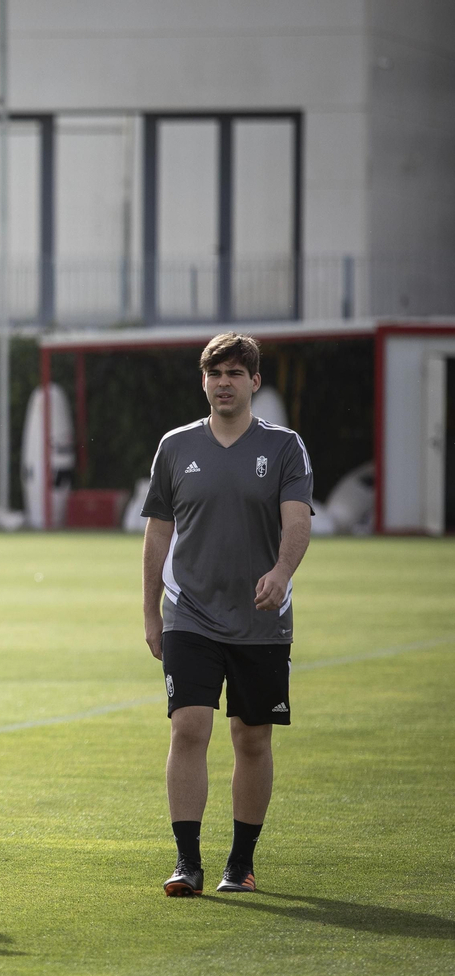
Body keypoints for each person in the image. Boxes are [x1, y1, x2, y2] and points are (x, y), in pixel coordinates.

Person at [142, 332, 313, 897]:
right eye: (215, 374)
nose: (223, 383)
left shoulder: (285, 447)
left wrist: (282, 573)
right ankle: (186, 862)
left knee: (252, 739)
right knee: (188, 727)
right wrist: (150, 611)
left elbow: (296, 521)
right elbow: (158, 532)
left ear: (254, 383)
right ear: (204, 382)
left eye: (235, 374)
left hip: (261, 618)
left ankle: (240, 863)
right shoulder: (174, 446)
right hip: (188, 611)